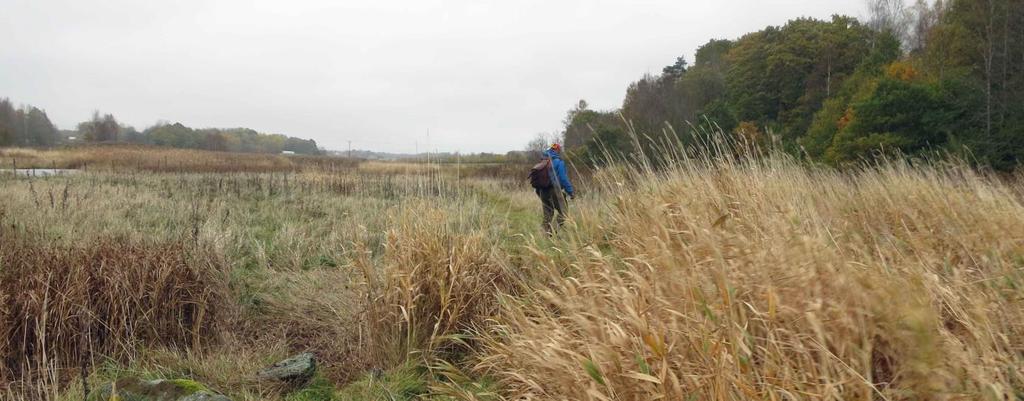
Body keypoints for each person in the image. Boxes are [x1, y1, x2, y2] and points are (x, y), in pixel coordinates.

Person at [534, 143, 574, 234]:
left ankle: (544, 234)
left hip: (542, 191)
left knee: (548, 213)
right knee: (564, 212)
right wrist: (570, 191)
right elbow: (563, 178)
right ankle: (552, 232)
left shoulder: (543, 161)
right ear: (558, 150)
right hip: (555, 190)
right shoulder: (559, 162)